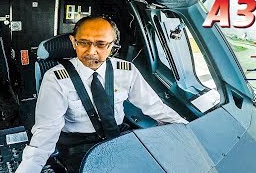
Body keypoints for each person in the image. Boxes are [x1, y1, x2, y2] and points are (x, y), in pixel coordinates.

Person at [16, 16, 188, 173]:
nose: (91, 52)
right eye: (83, 43)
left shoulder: (126, 71)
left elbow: (155, 107)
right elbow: (46, 132)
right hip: (78, 145)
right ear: (73, 42)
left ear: (112, 45)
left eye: (101, 44)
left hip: (119, 137)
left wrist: (187, 129)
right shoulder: (56, 78)